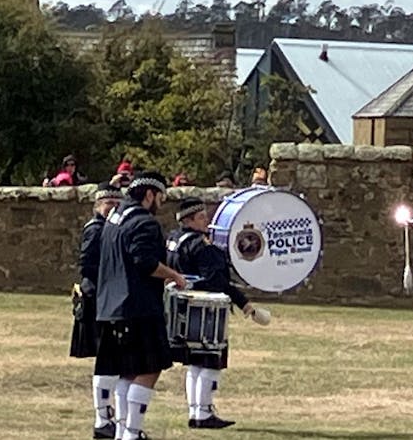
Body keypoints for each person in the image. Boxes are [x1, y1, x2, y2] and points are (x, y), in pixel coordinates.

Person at [95, 170, 188, 440]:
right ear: (149, 194)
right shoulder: (144, 222)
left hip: (110, 307)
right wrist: (174, 275)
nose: (160, 203)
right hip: (138, 307)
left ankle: (123, 432)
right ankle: (132, 432)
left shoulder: (114, 218)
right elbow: (144, 262)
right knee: (149, 368)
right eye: (160, 197)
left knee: (127, 371)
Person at [166, 198, 272, 429]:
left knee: (195, 362)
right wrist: (245, 304)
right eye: (202, 217)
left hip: (182, 307)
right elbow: (218, 281)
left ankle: (196, 411)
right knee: (210, 360)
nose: (207, 221)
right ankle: (204, 413)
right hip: (206, 308)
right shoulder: (201, 245)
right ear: (189, 220)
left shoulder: (173, 239)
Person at [74, 186, 126, 438]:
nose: (113, 208)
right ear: (98, 205)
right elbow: (87, 266)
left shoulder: (110, 229)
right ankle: (103, 418)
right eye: (109, 203)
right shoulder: (95, 230)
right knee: (107, 359)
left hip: (107, 299)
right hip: (98, 300)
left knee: (113, 359)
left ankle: (107, 417)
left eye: (117, 203)